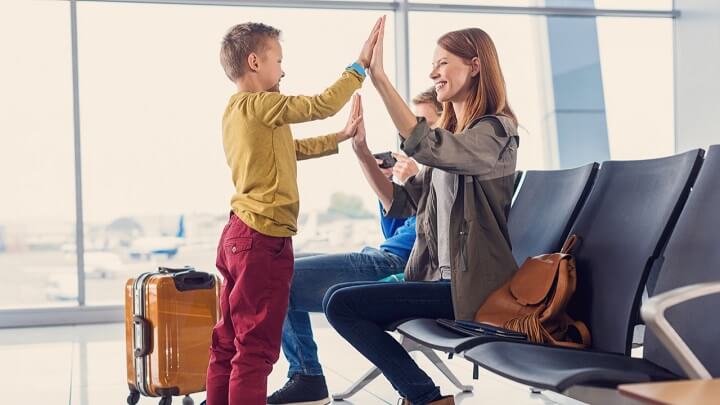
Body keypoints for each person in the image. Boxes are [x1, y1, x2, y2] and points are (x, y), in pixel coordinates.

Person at [323, 17, 520, 405]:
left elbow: (425, 144)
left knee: (340, 304)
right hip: (439, 282)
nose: (434, 73)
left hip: (472, 289)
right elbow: (402, 203)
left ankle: (425, 397)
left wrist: (379, 78)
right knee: (338, 297)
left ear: (475, 65)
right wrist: (362, 153)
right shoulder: (458, 137)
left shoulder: (496, 132)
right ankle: (425, 397)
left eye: (442, 63)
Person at [205, 19, 383, 405]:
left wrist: (339, 137)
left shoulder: (237, 111)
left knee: (227, 341)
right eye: (278, 60)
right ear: (254, 62)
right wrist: (359, 67)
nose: (283, 70)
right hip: (262, 238)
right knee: (256, 349)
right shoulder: (263, 104)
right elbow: (322, 104)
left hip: (236, 236)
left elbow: (291, 149)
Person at [266, 89, 442, 405]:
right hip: (385, 254)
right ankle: (305, 373)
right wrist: (389, 187)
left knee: (279, 276)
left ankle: (307, 375)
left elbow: (436, 238)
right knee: (282, 267)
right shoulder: (424, 175)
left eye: (423, 124)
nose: (414, 135)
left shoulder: (446, 172)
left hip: (398, 265)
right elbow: (396, 232)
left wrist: (417, 178)